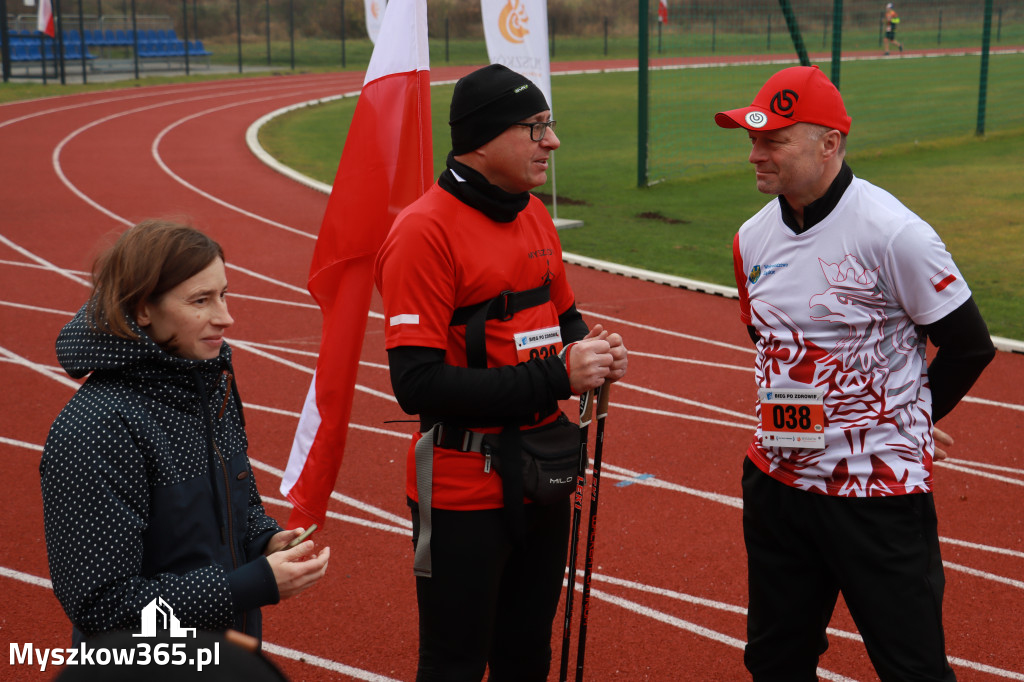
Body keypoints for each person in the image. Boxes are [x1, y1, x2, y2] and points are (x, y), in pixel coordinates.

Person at [714, 65, 995, 681]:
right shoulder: (750, 239)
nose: (755, 154)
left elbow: (970, 345)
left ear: (829, 144)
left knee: (911, 667)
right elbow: (771, 346)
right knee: (774, 661)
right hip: (778, 484)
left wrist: (911, 416)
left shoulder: (894, 233)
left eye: (773, 141)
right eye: (752, 138)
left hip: (875, 494)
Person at [374, 63, 627, 681]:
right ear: (485, 138)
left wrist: (595, 356)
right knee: (455, 661)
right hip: (464, 485)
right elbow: (417, 385)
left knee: (526, 652)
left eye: (551, 124)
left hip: (545, 470)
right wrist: (558, 377)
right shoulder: (422, 231)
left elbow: (565, 320)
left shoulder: (533, 213)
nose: (553, 141)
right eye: (536, 127)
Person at [41, 220, 330, 644]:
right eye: (201, 300)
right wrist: (248, 586)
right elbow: (102, 606)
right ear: (142, 309)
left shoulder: (207, 385)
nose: (225, 317)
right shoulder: (98, 427)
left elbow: (236, 505)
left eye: (224, 294)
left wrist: (262, 542)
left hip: (223, 659)